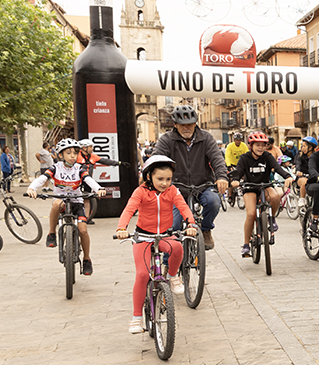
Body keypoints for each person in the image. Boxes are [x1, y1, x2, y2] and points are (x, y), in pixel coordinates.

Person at [115, 155, 197, 334]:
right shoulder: (141, 192)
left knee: (177, 247)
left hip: (165, 235)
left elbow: (183, 207)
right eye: (160, 179)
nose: (165, 183)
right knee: (143, 274)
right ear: (148, 176)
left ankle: (173, 276)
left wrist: (191, 224)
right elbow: (129, 209)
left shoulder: (173, 191)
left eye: (168, 179)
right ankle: (136, 317)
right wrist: (122, 228)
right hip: (143, 237)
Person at [26, 138, 106, 276]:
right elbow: (42, 178)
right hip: (62, 202)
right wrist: (32, 188)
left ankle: (86, 259)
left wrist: (99, 189)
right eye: (68, 153)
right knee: (56, 203)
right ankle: (52, 233)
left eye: (75, 153)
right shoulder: (55, 168)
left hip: (77, 203)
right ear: (60, 155)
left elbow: (88, 180)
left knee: (83, 231)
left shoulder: (79, 169)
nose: (73, 156)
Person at [154, 104, 229, 249]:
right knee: (174, 226)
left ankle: (206, 229)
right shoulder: (167, 140)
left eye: (189, 124)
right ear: (175, 125)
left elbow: (217, 159)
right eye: (182, 125)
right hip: (176, 188)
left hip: (203, 185)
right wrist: (151, 177)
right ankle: (169, 264)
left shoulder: (206, 138)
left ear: (195, 123)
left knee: (213, 202)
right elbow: (156, 160)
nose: (186, 128)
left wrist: (222, 177)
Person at [231, 131, 294, 258]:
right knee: (251, 213)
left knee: (276, 196)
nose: (260, 148)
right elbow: (238, 170)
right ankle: (246, 245)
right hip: (250, 187)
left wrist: (287, 176)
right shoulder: (245, 158)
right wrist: (235, 180)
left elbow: (277, 167)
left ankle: (271, 219)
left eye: (263, 145)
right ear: (251, 146)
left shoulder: (267, 156)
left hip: (265, 185)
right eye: (257, 145)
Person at [293, 136, 317, 207]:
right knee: (305, 181)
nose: (302, 148)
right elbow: (298, 164)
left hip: (313, 178)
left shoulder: (316, 157)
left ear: (310, 147)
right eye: (302, 146)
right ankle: (302, 198)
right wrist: (298, 171)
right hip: (302, 177)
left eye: (304, 146)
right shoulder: (300, 156)